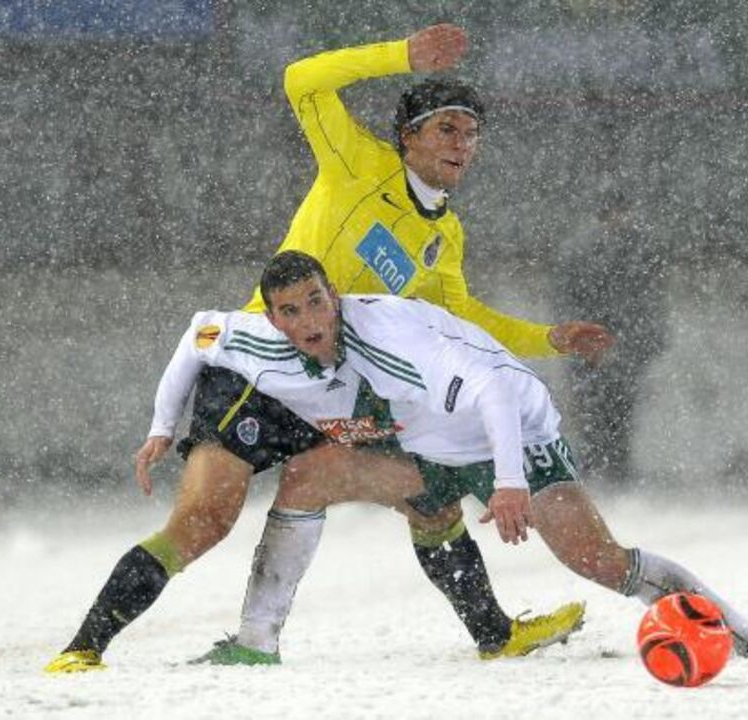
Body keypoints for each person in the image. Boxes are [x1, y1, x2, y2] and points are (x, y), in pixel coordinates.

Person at [44, 24, 610, 673]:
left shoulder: (443, 236)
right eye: (446, 128)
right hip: (263, 369)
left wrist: (549, 339)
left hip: (339, 386)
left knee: (428, 496)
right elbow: (299, 81)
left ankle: (491, 634)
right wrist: (396, 57)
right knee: (204, 520)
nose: (462, 143)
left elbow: (462, 319)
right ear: (408, 137)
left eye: (471, 131)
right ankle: (83, 648)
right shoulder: (358, 163)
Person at [148, 252, 748, 661]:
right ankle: (256, 643)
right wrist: (159, 429)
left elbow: (491, 391)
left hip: (508, 434)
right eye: (292, 310)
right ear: (274, 317)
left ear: (335, 300)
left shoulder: (396, 344)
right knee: (309, 475)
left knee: (597, 561)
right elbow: (198, 337)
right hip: (428, 443)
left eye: (318, 301)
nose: (309, 319)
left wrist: (510, 482)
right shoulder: (258, 334)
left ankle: (745, 636)